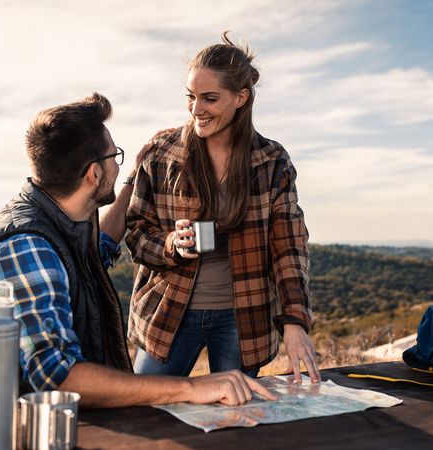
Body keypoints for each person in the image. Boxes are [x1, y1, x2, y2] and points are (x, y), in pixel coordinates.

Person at [0, 93, 274, 408]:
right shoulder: (25, 247)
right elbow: (57, 376)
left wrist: (134, 174)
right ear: (94, 173)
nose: (118, 163)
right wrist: (191, 388)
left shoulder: (55, 223)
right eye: (115, 156)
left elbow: (102, 250)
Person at [126, 33, 321, 384]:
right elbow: (136, 231)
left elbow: (289, 247)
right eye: (191, 97)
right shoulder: (162, 153)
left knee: (235, 420)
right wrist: (171, 244)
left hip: (243, 319)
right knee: (145, 414)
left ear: (241, 98)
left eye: (209, 98)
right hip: (169, 314)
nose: (197, 109)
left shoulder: (271, 161)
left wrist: (294, 322)